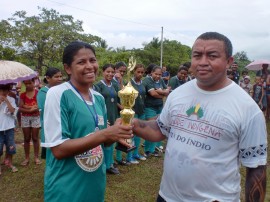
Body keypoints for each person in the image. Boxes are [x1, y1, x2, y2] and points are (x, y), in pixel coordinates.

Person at [132, 32, 267, 201]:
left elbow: (256, 168)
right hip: (167, 196)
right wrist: (133, 123)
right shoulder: (178, 94)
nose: (203, 62)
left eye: (212, 56)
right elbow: (161, 128)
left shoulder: (248, 109)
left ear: (229, 62)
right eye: (197, 55)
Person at [41, 41, 133, 202]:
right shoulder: (58, 94)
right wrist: (106, 133)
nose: (90, 66)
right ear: (68, 68)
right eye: (81, 62)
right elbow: (58, 149)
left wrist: (116, 134)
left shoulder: (98, 98)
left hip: (95, 184)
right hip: (66, 188)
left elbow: (102, 142)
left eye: (92, 60)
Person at [95, 64, 122, 174]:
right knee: (106, 140)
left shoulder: (114, 85)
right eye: (108, 72)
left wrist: (124, 109)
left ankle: (110, 162)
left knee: (113, 139)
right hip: (104, 117)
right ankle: (106, 165)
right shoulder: (98, 86)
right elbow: (96, 104)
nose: (110, 74)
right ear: (103, 72)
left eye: (112, 72)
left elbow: (117, 100)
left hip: (114, 114)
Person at [142, 65, 170, 157]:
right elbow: (153, 94)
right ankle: (147, 150)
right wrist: (162, 93)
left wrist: (161, 91)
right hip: (150, 107)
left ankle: (153, 149)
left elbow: (167, 89)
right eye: (156, 74)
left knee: (158, 127)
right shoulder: (147, 80)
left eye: (160, 74)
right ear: (151, 73)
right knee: (150, 128)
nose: (158, 76)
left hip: (159, 107)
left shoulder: (161, 80)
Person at [37, 67, 63, 159]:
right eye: (56, 77)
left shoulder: (62, 90)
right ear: (48, 78)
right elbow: (44, 111)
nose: (60, 79)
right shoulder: (43, 92)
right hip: (50, 127)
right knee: (51, 155)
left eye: (61, 76)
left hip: (62, 126)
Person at [126, 64, 147, 163]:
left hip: (141, 111)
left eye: (142, 72)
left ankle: (136, 154)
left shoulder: (143, 83)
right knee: (131, 135)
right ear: (134, 71)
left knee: (139, 134)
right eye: (138, 72)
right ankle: (129, 157)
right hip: (133, 112)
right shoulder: (129, 83)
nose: (140, 74)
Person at [19, 78, 42, 166]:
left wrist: (27, 107)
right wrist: (30, 110)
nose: (28, 85)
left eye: (30, 83)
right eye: (26, 84)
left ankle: (36, 157)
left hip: (36, 117)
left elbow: (39, 105)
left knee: (35, 138)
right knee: (26, 138)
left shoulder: (38, 93)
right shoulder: (23, 95)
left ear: (34, 82)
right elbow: (20, 108)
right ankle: (27, 158)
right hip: (25, 118)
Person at [0, 84, 18, 175]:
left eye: (6, 90)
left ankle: (10, 163)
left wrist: (6, 101)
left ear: (8, 91)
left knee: (11, 146)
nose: (3, 92)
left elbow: (12, 111)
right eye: (1, 90)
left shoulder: (12, 99)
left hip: (9, 127)